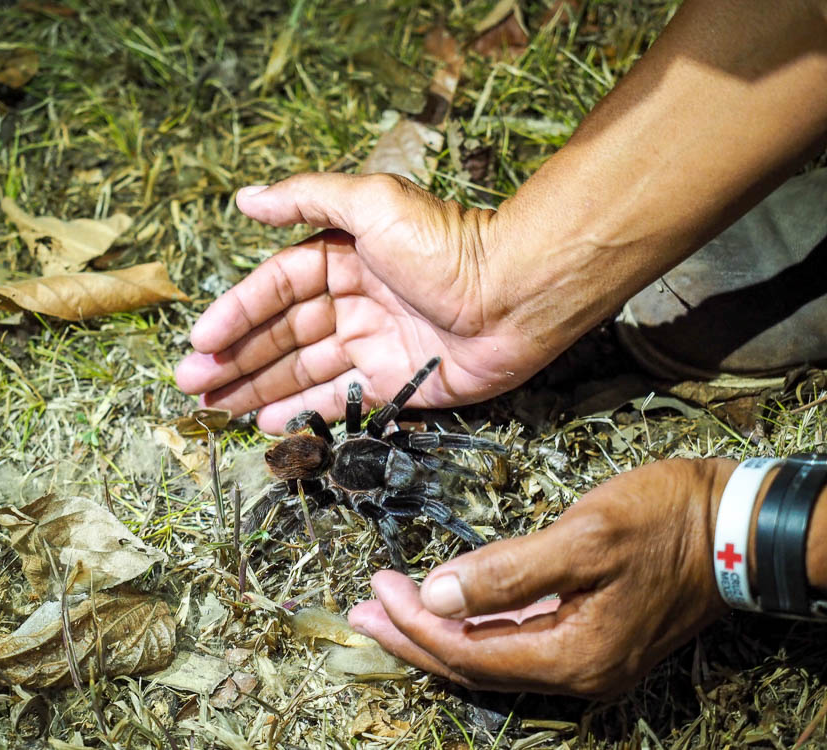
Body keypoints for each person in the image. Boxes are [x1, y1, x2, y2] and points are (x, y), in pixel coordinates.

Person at [176, 0, 827, 696]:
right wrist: (504, 275)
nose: (401, 455)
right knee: (418, 502)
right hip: (330, 462)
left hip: (337, 455)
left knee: (412, 475)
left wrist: (728, 534)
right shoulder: (339, 471)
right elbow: (394, 476)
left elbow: (387, 430)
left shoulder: (363, 441)